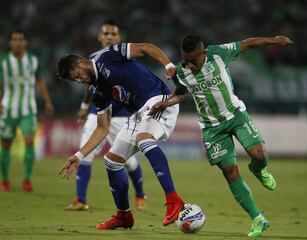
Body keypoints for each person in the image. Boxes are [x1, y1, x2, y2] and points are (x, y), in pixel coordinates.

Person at [149, 35, 293, 237]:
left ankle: (259, 170)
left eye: (193, 60)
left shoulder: (218, 53)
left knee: (258, 155)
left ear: (203, 53)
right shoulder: (180, 71)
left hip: (235, 115)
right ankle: (257, 218)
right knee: (230, 171)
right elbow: (181, 93)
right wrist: (166, 103)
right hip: (212, 128)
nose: (188, 64)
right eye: (185, 60)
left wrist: (274, 40)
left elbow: (247, 43)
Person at [57, 42, 184, 229]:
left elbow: (146, 48)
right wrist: (78, 155)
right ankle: (123, 216)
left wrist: (169, 65)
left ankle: (174, 200)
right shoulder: (96, 91)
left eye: (77, 76)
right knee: (112, 162)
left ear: (83, 63)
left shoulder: (107, 56)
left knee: (144, 139)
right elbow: (102, 128)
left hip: (158, 99)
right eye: (75, 81)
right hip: (137, 114)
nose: (80, 81)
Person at [65, 19, 146, 212]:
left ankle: (140, 195)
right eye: (106, 34)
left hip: (121, 115)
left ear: (118, 38)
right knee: (85, 153)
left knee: (128, 161)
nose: (110, 37)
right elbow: (89, 84)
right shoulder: (91, 59)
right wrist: (85, 105)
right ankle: (80, 199)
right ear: (100, 37)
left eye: (113, 34)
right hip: (98, 113)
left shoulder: (124, 56)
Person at [0, 29, 54, 192]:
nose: (17, 42)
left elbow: (40, 81)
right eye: (14, 39)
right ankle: (5, 180)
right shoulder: (3, 61)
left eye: (20, 39)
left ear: (25, 42)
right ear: (10, 43)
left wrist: (47, 101)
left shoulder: (33, 60)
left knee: (29, 141)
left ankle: (27, 179)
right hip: (8, 109)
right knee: (6, 145)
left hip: (28, 109)